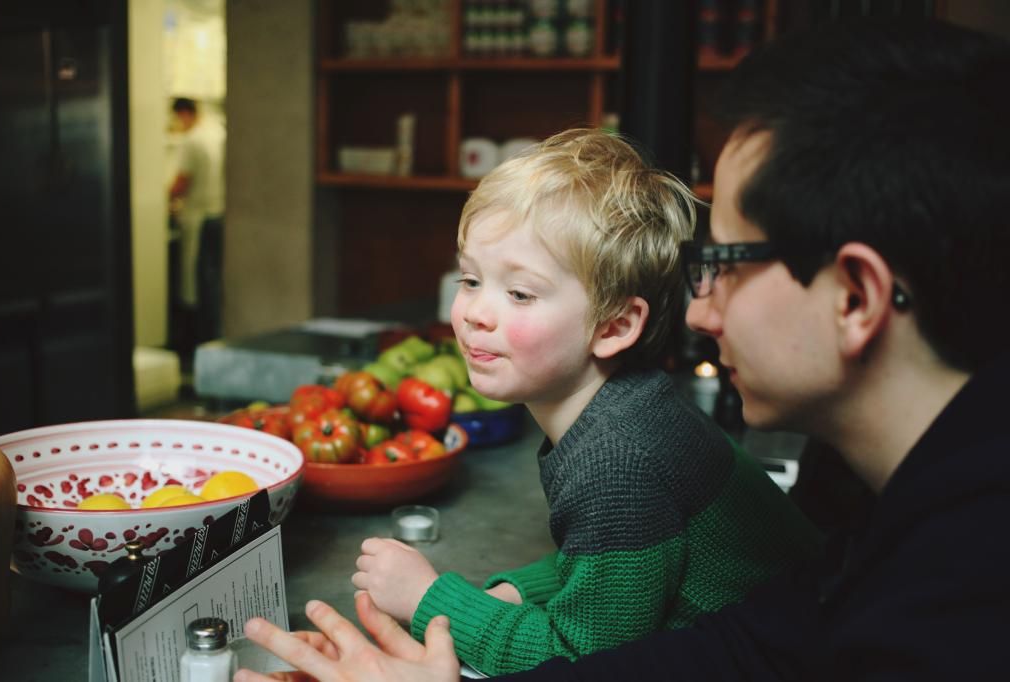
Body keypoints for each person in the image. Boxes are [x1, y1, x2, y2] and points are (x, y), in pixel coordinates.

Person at [234, 18, 1010, 682]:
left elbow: (600, 643)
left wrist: (445, 607)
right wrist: (503, 601)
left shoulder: (953, 611)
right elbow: (750, 642)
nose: (700, 309)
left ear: (856, 298)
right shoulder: (867, 494)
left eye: (726, 262)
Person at [351, 128, 820, 676]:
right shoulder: (634, 409)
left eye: (520, 293)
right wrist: (511, 593)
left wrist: (431, 597)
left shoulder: (616, 459)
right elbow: (612, 571)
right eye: (472, 279)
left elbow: (581, 660)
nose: (476, 311)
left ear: (615, 326)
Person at [169, 96, 226, 353]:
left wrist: (165, 200)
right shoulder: (218, 132)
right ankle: (209, 335)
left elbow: (182, 181)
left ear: (183, 114)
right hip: (219, 212)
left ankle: (193, 341)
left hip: (198, 216)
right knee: (210, 281)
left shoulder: (193, 140)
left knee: (195, 283)